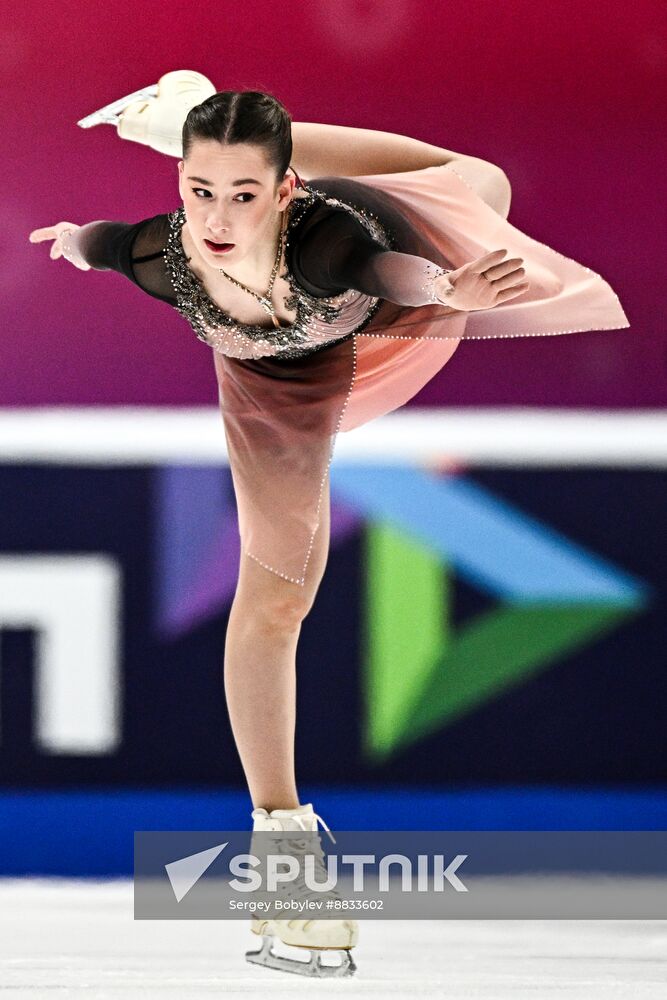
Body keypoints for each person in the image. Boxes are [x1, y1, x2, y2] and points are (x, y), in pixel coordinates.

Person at [28, 73, 630, 978]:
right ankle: (286, 852)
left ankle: (186, 123)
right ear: (178, 192)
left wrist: (448, 284)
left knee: (479, 184)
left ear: (283, 188)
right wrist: (74, 241)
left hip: (405, 288)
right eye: (198, 190)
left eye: (242, 193)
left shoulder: (326, 241)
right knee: (274, 601)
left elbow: (384, 272)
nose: (219, 217)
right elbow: (105, 242)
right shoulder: (163, 254)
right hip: (280, 386)